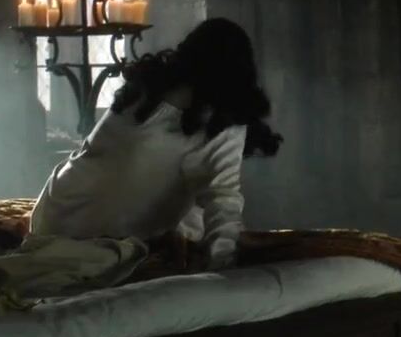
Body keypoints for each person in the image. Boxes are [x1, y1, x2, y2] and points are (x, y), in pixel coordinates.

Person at [30, 18, 283, 270]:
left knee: (188, 205)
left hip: (52, 211)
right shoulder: (219, 123)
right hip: (96, 237)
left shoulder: (143, 88)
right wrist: (223, 265)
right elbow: (223, 200)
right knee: (193, 209)